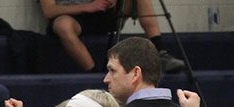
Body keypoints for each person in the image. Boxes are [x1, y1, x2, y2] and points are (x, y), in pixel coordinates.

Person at [40, 0, 184, 73]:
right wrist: (88, 6)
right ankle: (94, 72)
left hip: (104, 15)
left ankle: (159, 50)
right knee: (62, 26)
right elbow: (49, 10)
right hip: (72, 18)